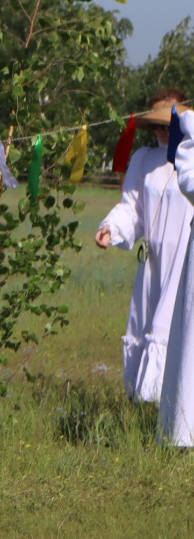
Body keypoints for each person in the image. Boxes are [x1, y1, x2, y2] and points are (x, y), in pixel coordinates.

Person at [96, 89, 191, 403]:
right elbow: (132, 207)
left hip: (185, 258)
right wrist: (112, 228)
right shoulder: (143, 159)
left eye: (169, 126)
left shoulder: (191, 159)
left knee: (174, 327)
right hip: (153, 261)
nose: (163, 132)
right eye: (158, 127)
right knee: (146, 322)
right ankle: (145, 403)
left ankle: (173, 404)